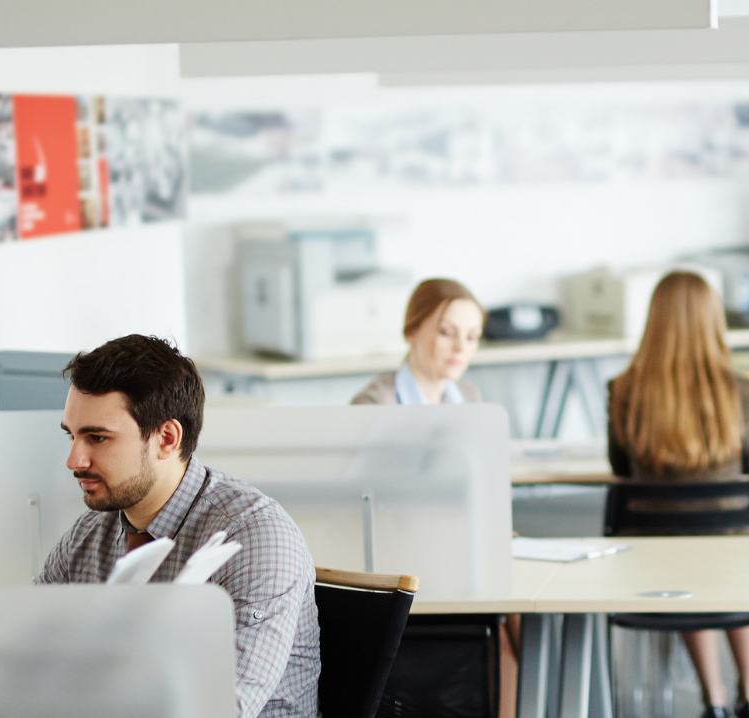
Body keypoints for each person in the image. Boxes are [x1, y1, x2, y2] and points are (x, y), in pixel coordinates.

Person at [40, 334, 320, 718]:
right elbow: (26, 667)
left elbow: (222, 710)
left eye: (97, 438)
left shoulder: (255, 538)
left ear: (167, 438)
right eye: (72, 436)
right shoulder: (87, 538)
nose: (74, 459)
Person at [606, 270, 749, 718]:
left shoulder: (623, 390)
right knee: (729, 550)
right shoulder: (744, 391)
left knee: (684, 554)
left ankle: (712, 697)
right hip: (733, 546)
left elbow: (621, 468)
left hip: (655, 551)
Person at [352, 278, 486, 405]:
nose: (460, 347)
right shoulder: (373, 403)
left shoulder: (470, 396)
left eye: (471, 337)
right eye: (447, 332)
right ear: (412, 331)